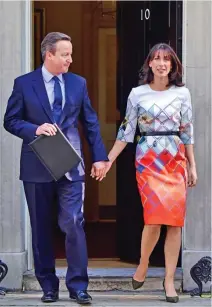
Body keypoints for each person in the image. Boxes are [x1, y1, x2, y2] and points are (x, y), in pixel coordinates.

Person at [4, 32, 108, 305]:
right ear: (48, 54)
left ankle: (78, 287)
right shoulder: (24, 84)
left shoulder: (78, 83)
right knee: (40, 228)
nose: (70, 60)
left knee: (74, 222)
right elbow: (11, 120)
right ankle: (48, 287)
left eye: (70, 54)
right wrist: (34, 128)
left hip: (71, 167)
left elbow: (91, 122)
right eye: (65, 54)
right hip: (36, 166)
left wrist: (100, 157)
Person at [96, 43, 197, 303]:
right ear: (149, 64)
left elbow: (186, 131)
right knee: (153, 218)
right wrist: (108, 160)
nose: (162, 63)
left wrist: (192, 165)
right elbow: (127, 131)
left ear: (173, 65)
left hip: (175, 160)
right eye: (157, 59)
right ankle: (143, 264)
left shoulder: (182, 94)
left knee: (175, 223)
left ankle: (169, 281)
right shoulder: (137, 94)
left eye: (167, 59)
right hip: (148, 161)